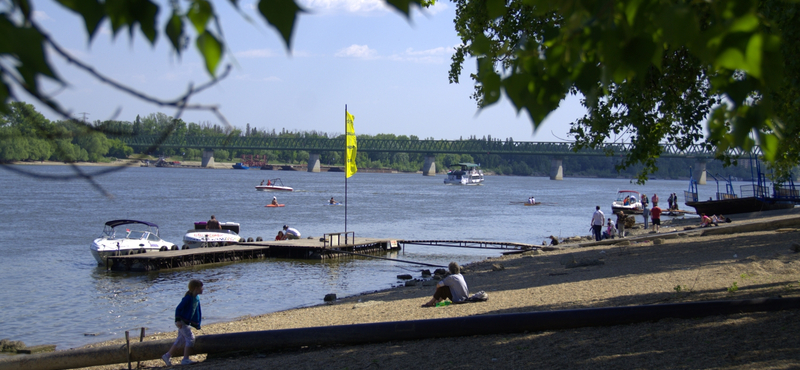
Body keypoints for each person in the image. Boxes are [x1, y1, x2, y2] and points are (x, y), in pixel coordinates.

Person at [162, 279, 203, 366]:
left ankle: (167, 356)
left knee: (180, 340)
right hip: (181, 322)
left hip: (186, 322)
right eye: (201, 287)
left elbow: (197, 311)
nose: (203, 289)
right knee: (190, 338)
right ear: (196, 288)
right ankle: (185, 359)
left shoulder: (197, 298)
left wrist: (196, 323)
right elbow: (178, 308)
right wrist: (177, 321)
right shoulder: (187, 298)